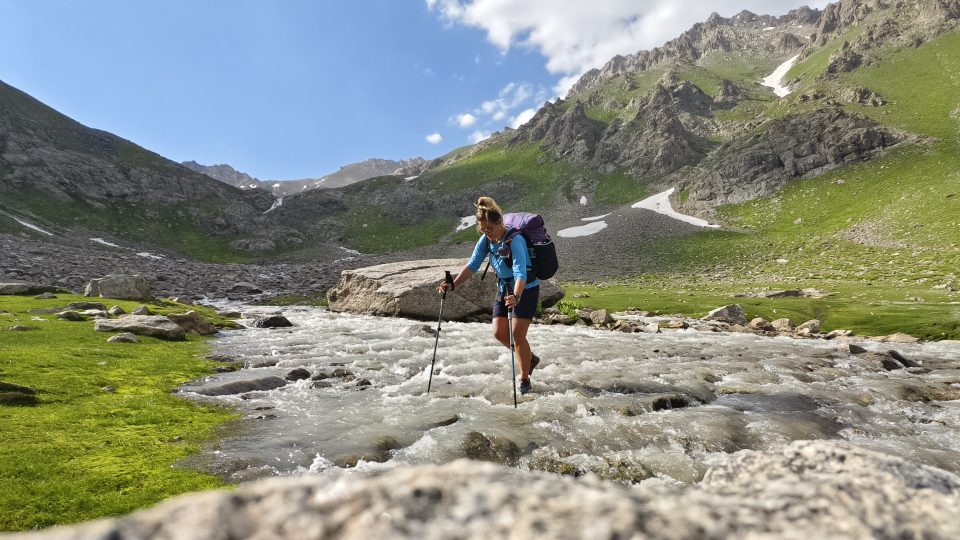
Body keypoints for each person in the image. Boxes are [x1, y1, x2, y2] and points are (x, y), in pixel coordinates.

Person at [437, 196, 541, 395]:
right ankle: (530, 358)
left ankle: (524, 378)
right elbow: (472, 265)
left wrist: (517, 296)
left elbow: (521, 272)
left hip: (525, 289)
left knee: (518, 335)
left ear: (500, 222)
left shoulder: (515, 239)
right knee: (499, 333)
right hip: (503, 289)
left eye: (490, 228)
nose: (487, 232)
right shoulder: (485, 239)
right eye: (483, 229)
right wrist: (453, 285)